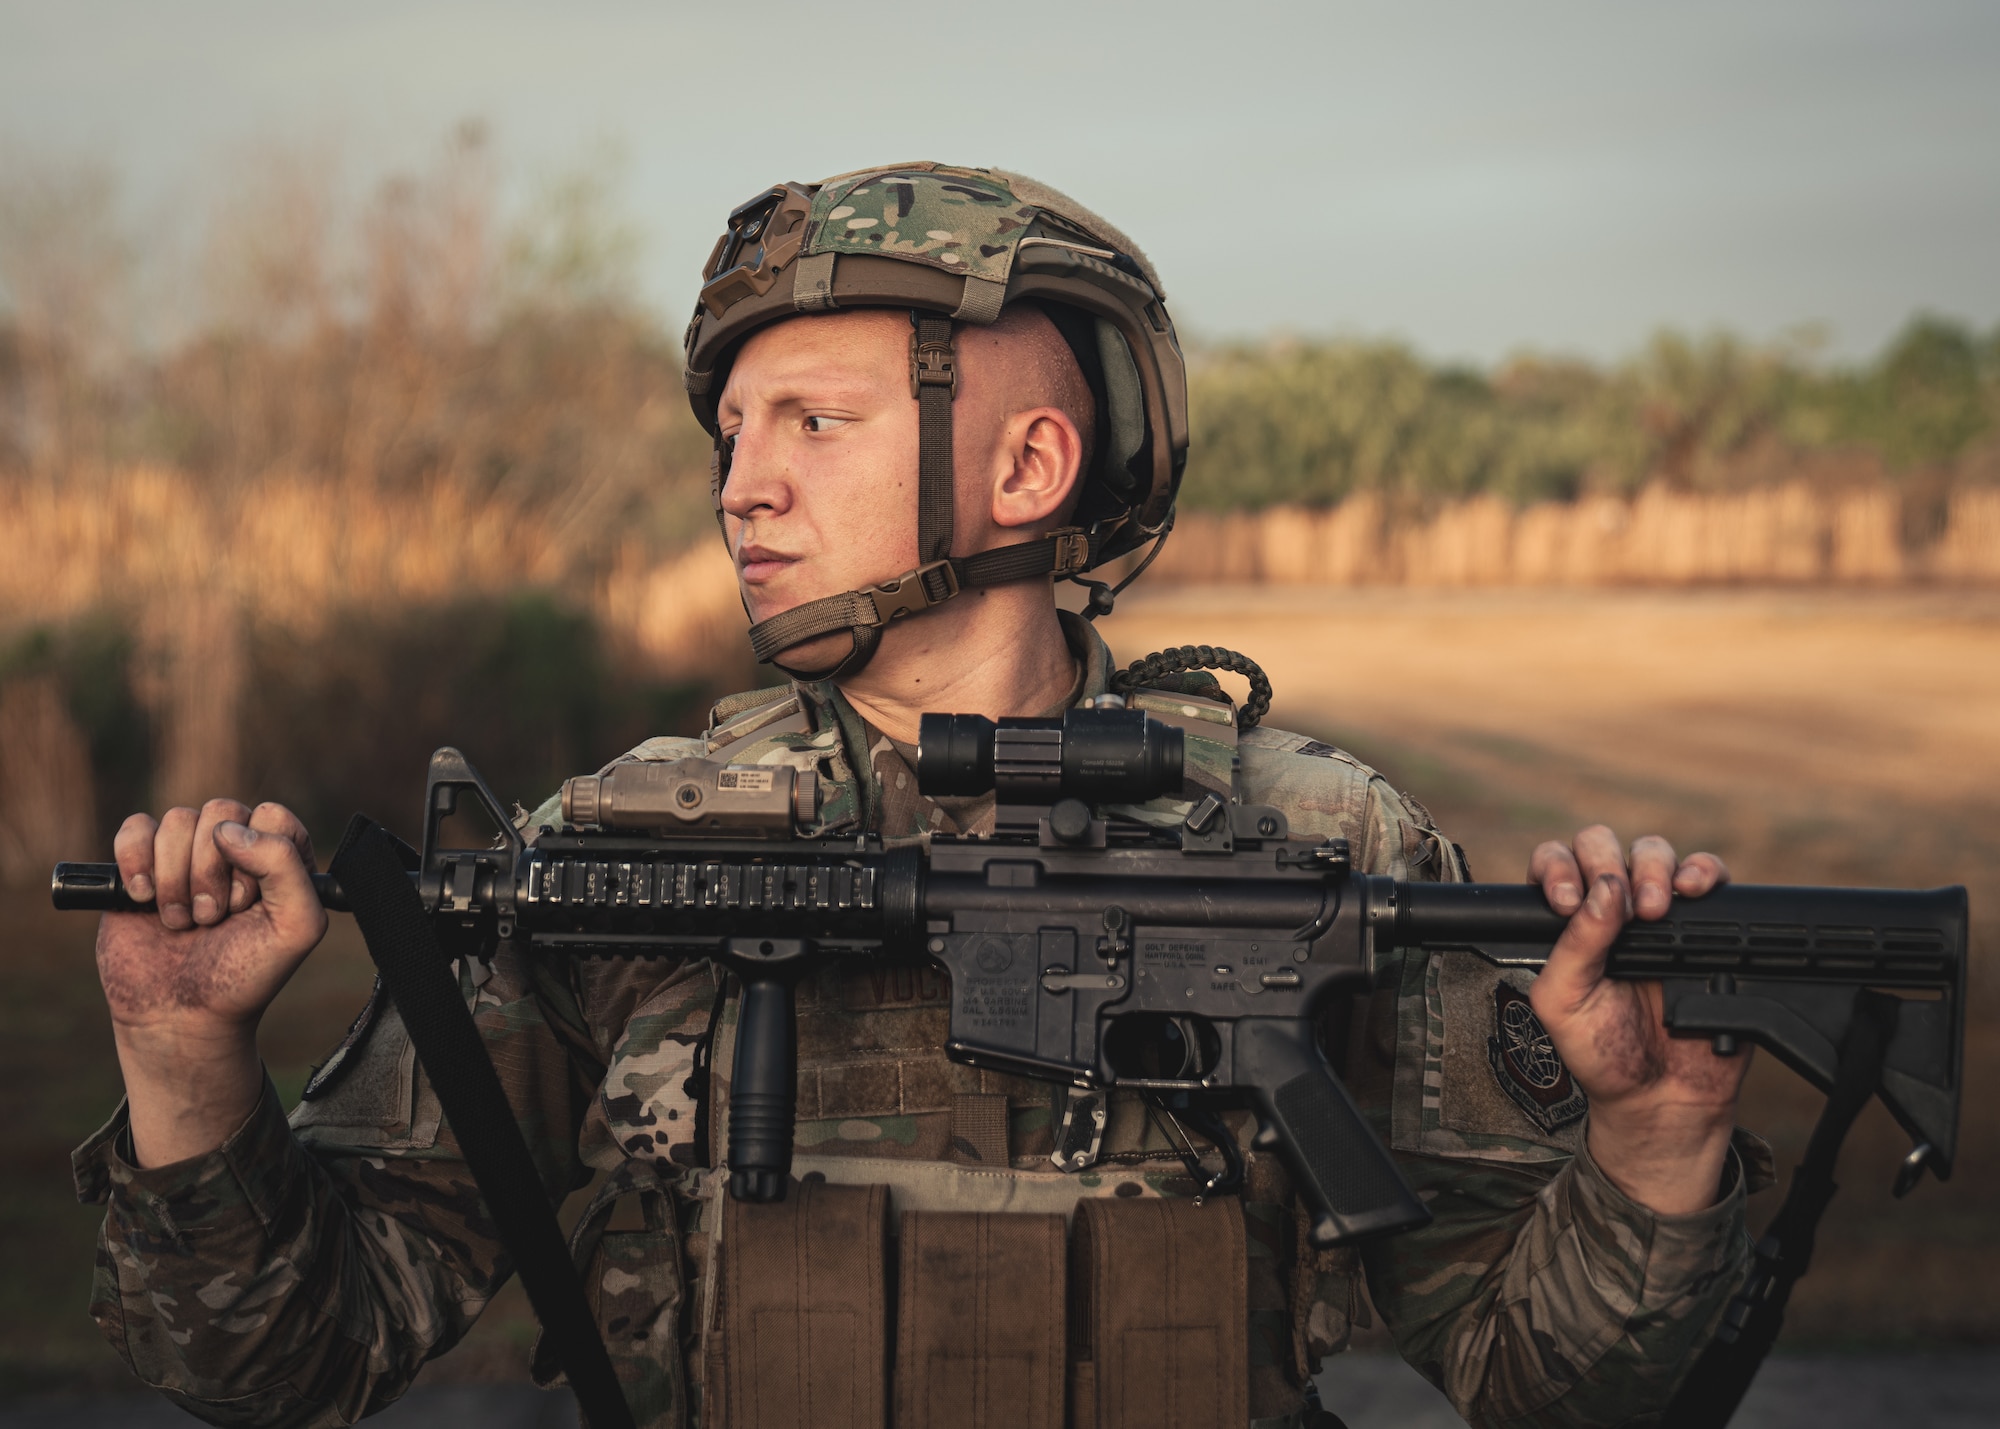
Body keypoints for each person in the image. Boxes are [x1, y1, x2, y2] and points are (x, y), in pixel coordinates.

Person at [78, 164, 1764, 1429]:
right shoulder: (613, 855)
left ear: (1029, 466)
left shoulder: (1320, 843)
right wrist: (183, 1062)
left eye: (816, 419)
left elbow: (1549, 1387)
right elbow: (296, 1355)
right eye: (732, 431)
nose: (744, 485)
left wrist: (1656, 1138)